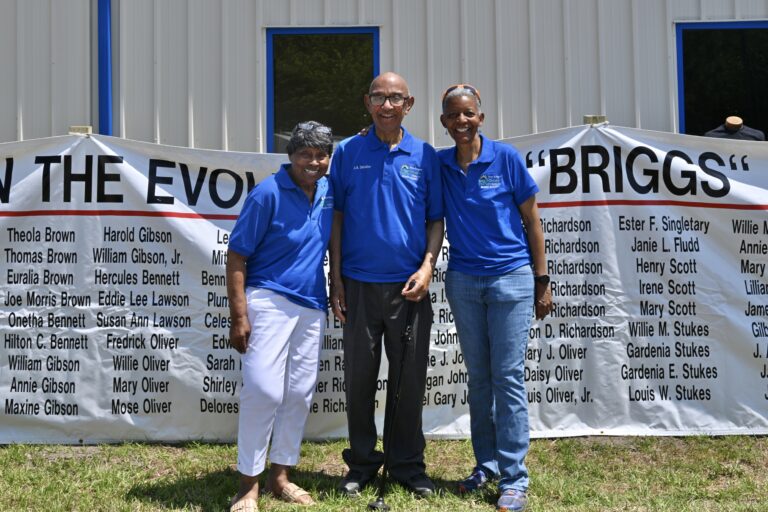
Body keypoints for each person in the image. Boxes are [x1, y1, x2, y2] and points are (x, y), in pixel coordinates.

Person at [437, 84, 553, 512]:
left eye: (468, 113)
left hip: (511, 280)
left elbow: (532, 222)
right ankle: (485, 465)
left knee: (507, 378)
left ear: (480, 118)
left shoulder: (505, 158)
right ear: (444, 122)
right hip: (464, 282)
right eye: (453, 115)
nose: (462, 121)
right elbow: (401, 153)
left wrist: (542, 281)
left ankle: (514, 478)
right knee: (479, 379)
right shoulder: (440, 163)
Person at [329, 72, 444, 498]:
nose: (387, 105)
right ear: (367, 102)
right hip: (358, 286)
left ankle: (407, 466)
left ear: (409, 105)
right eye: (379, 97)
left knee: (408, 382)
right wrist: (335, 277)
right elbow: (336, 217)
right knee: (359, 381)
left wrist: (428, 267)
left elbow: (436, 220)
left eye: (396, 98)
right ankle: (361, 464)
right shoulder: (348, 152)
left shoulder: (425, 155)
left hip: (409, 290)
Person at [226, 121, 335, 512]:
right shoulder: (267, 193)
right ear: (291, 156)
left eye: (321, 155)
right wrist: (239, 316)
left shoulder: (328, 190)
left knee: (299, 393)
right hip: (268, 300)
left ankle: (281, 476)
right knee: (263, 391)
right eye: (305, 154)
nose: (313, 162)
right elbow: (236, 256)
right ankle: (248, 485)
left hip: (312, 304)